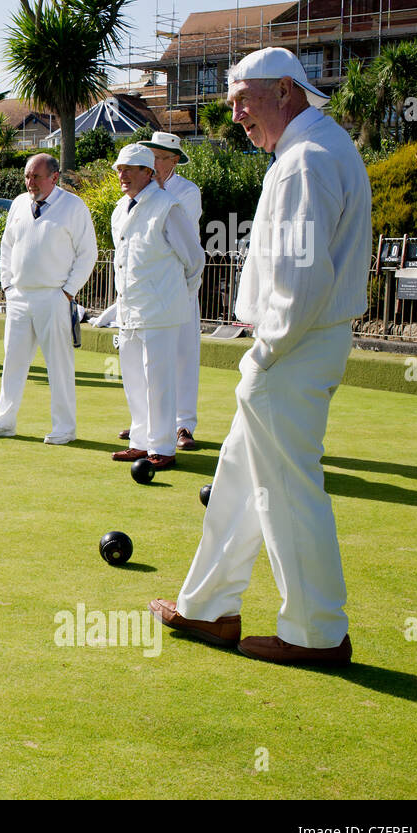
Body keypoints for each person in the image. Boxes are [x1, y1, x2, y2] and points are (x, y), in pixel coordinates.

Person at [151, 47, 371, 666]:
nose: (236, 113)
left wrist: (266, 353)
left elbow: (302, 279)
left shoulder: (306, 160)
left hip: (291, 349)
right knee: (240, 482)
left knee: (287, 492)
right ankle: (208, 607)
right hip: (295, 345)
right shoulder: (311, 150)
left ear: (285, 91)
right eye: (231, 101)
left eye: (243, 99)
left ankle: (317, 632)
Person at [0, 154, 96, 442]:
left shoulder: (73, 207)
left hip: (53, 297)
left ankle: (64, 428)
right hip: (20, 297)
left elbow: (88, 253)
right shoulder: (18, 204)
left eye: (36, 177)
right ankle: (4, 422)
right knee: (13, 362)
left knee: (59, 365)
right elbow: (8, 245)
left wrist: (67, 292)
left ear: (54, 177)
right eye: (27, 176)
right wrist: (8, 287)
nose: (30, 182)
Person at [109, 144, 202, 470]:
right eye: (120, 168)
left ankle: (163, 447)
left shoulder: (168, 206)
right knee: (134, 379)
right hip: (130, 310)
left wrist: (175, 296)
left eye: (130, 168)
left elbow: (194, 260)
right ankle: (141, 441)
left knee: (159, 380)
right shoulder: (120, 209)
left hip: (161, 310)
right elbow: (122, 262)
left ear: (148, 172)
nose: (122, 174)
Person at [139, 131, 205, 451]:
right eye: (150, 156)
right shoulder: (141, 192)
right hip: (151, 285)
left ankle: (183, 426)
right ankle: (150, 424)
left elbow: (174, 233)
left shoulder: (187, 192)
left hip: (180, 282)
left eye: (159, 157)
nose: (153, 163)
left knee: (183, 353)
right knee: (149, 355)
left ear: (174, 160)